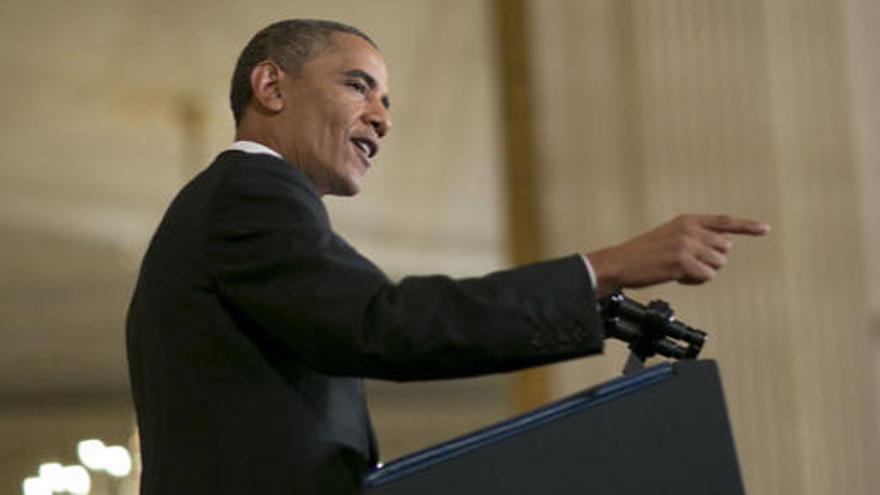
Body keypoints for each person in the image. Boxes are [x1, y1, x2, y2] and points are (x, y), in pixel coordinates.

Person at [126, 19, 768, 495]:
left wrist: (593, 301)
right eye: (359, 86)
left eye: (386, 102)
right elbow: (387, 326)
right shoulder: (250, 193)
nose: (381, 118)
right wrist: (606, 268)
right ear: (271, 85)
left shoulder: (244, 203)